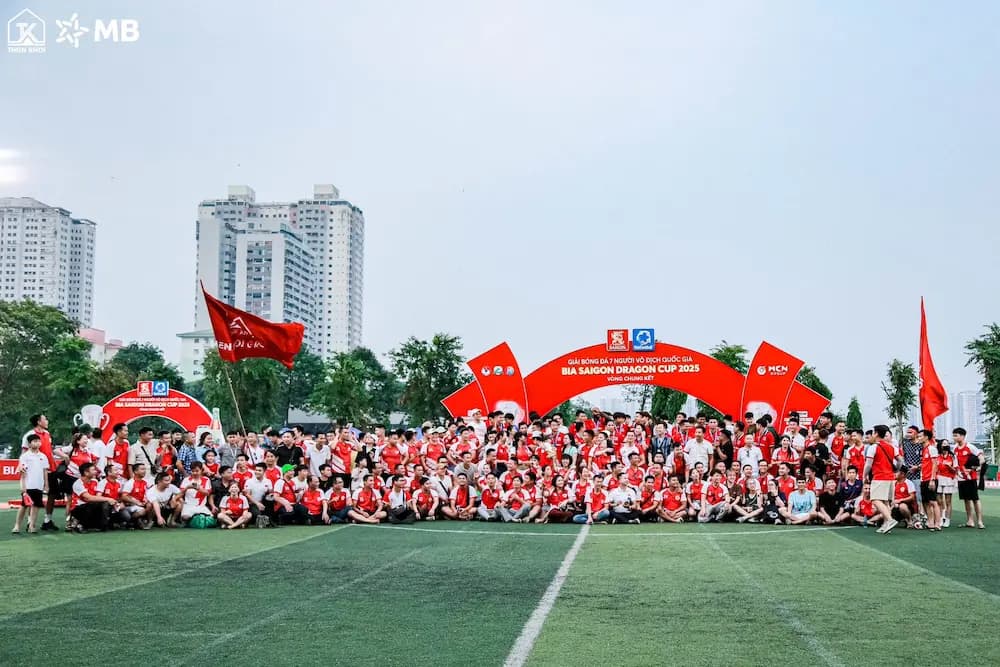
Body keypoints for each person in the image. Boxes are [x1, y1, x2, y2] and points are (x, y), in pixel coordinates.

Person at [864, 424, 903, 534]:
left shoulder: (873, 447)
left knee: (875, 499)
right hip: (890, 477)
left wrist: (864, 475)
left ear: (876, 433)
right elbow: (900, 460)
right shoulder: (892, 447)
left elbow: (868, 464)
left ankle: (890, 520)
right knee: (885, 502)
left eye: (873, 432)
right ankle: (886, 525)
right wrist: (896, 470)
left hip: (879, 477)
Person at [23, 415, 59, 531]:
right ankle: (30, 522)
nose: (47, 421)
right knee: (33, 495)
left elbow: (50, 450)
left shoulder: (47, 434)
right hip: (37, 470)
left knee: (52, 494)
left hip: (51, 468)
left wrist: (62, 455)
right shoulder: (29, 435)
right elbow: (24, 452)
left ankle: (47, 520)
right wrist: (25, 469)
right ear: (39, 422)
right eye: (45, 419)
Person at [13, 432, 49, 534]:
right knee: (24, 505)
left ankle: (32, 525)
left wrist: (46, 485)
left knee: (36, 506)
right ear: (29, 444)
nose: (37, 443)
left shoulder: (43, 456)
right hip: (28, 485)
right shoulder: (25, 456)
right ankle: (17, 525)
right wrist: (23, 486)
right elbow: (22, 472)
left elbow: (45, 471)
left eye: (38, 441)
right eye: (34, 441)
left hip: (39, 485)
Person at [67, 462, 115, 533]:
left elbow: (98, 497)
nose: (96, 471)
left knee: (105, 504)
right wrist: (108, 498)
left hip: (91, 506)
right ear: (86, 473)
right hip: (78, 508)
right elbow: (89, 498)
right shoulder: (78, 484)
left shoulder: (95, 481)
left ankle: (103, 525)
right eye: (93, 470)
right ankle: (78, 523)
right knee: (92, 505)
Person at [953, 427, 985, 529]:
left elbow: (982, 459)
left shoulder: (970, 447)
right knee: (966, 500)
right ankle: (970, 520)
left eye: (956, 435)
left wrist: (974, 468)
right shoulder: (955, 448)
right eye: (953, 436)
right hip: (961, 478)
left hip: (971, 478)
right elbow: (955, 462)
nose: (954, 438)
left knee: (975, 499)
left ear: (962, 436)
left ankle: (980, 521)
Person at [917, 429, 941, 531]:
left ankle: (938, 523)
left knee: (933, 501)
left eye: (920, 436)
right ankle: (930, 522)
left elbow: (935, 464)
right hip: (923, 479)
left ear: (926, 437)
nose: (918, 438)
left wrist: (932, 479)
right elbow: (925, 464)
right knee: (925, 502)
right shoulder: (923, 450)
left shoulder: (931, 448)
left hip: (930, 479)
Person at [120, 463, 152, 529]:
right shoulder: (130, 482)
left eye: (145, 469)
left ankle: (148, 522)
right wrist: (136, 502)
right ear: (135, 471)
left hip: (142, 504)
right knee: (142, 511)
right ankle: (130, 522)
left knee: (150, 504)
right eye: (142, 469)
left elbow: (151, 493)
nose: (144, 471)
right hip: (131, 506)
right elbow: (124, 496)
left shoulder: (146, 482)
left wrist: (147, 500)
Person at [936, 441, 957, 528]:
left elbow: (955, 470)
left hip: (948, 479)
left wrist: (949, 467)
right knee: (939, 501)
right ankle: (941, 518)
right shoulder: (937, 456)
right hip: (938, 479)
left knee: (948, 501)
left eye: (947, 444)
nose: (945, 445)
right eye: (944, 443)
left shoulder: (952, 456)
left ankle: (947, 519)